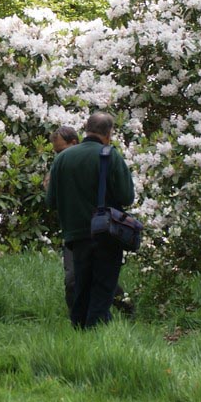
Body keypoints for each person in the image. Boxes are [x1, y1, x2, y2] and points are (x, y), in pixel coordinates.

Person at [46, 113, 135, 328]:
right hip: (106, 234)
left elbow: (51, 202)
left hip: (75, 235)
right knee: (103, 288)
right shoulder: (110, 156)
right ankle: (95, 334)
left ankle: (79, 333)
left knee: (81, 287)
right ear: (109, 132)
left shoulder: (62, 159)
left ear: (86, 129)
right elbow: (127, 197)